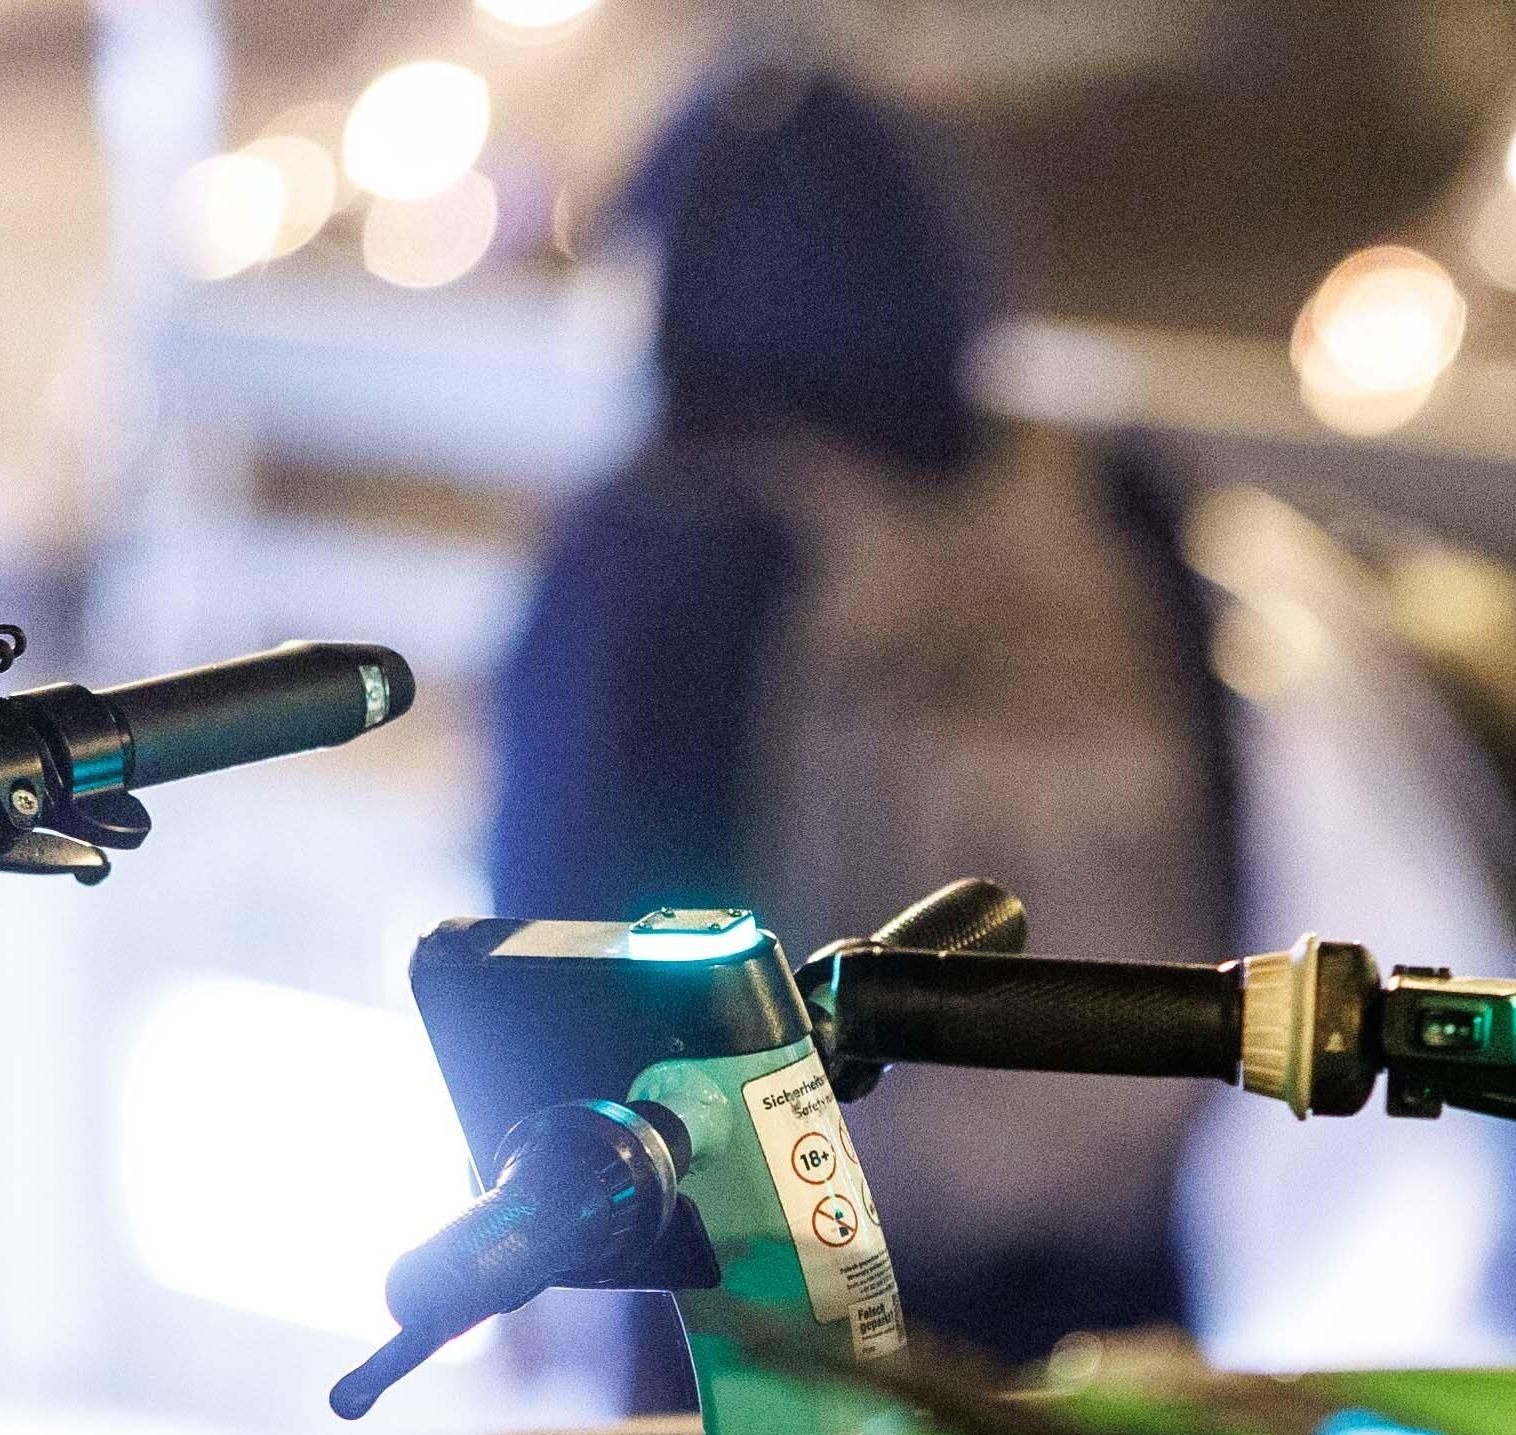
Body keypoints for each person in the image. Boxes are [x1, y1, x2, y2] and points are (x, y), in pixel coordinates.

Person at [488, 58, 1235, 1357]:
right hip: (1111, 1250)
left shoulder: (679, 535)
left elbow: (561, 904)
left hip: (784, 1274)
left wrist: (540, 1210)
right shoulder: (1107, 500)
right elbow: (1230, 854)